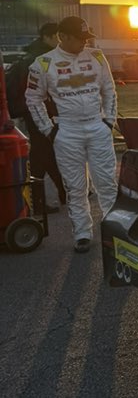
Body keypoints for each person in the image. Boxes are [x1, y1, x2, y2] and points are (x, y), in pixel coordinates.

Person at [24, 16, 118, 253]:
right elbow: (33, 99)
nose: (84, 43)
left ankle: (113, 230)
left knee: (106, 182)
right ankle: (82, 233)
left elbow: (109, 90)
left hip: (98, 126)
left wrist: (109, 120)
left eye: (87, 38)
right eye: (79, 38)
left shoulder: (97, 56)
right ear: (62, 37)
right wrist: (48, 129)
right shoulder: (43, 63)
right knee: (75, 187)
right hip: (67, 130)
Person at [5, 22, 67, 212]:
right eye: (57, 37)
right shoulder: (41, 59)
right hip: (40, 112)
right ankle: (41, 202)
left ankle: (60, 193)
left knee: (46, 152)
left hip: (34, 113)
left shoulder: (32, 55)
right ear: (47, 37)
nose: (60, 41)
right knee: (42, 154)